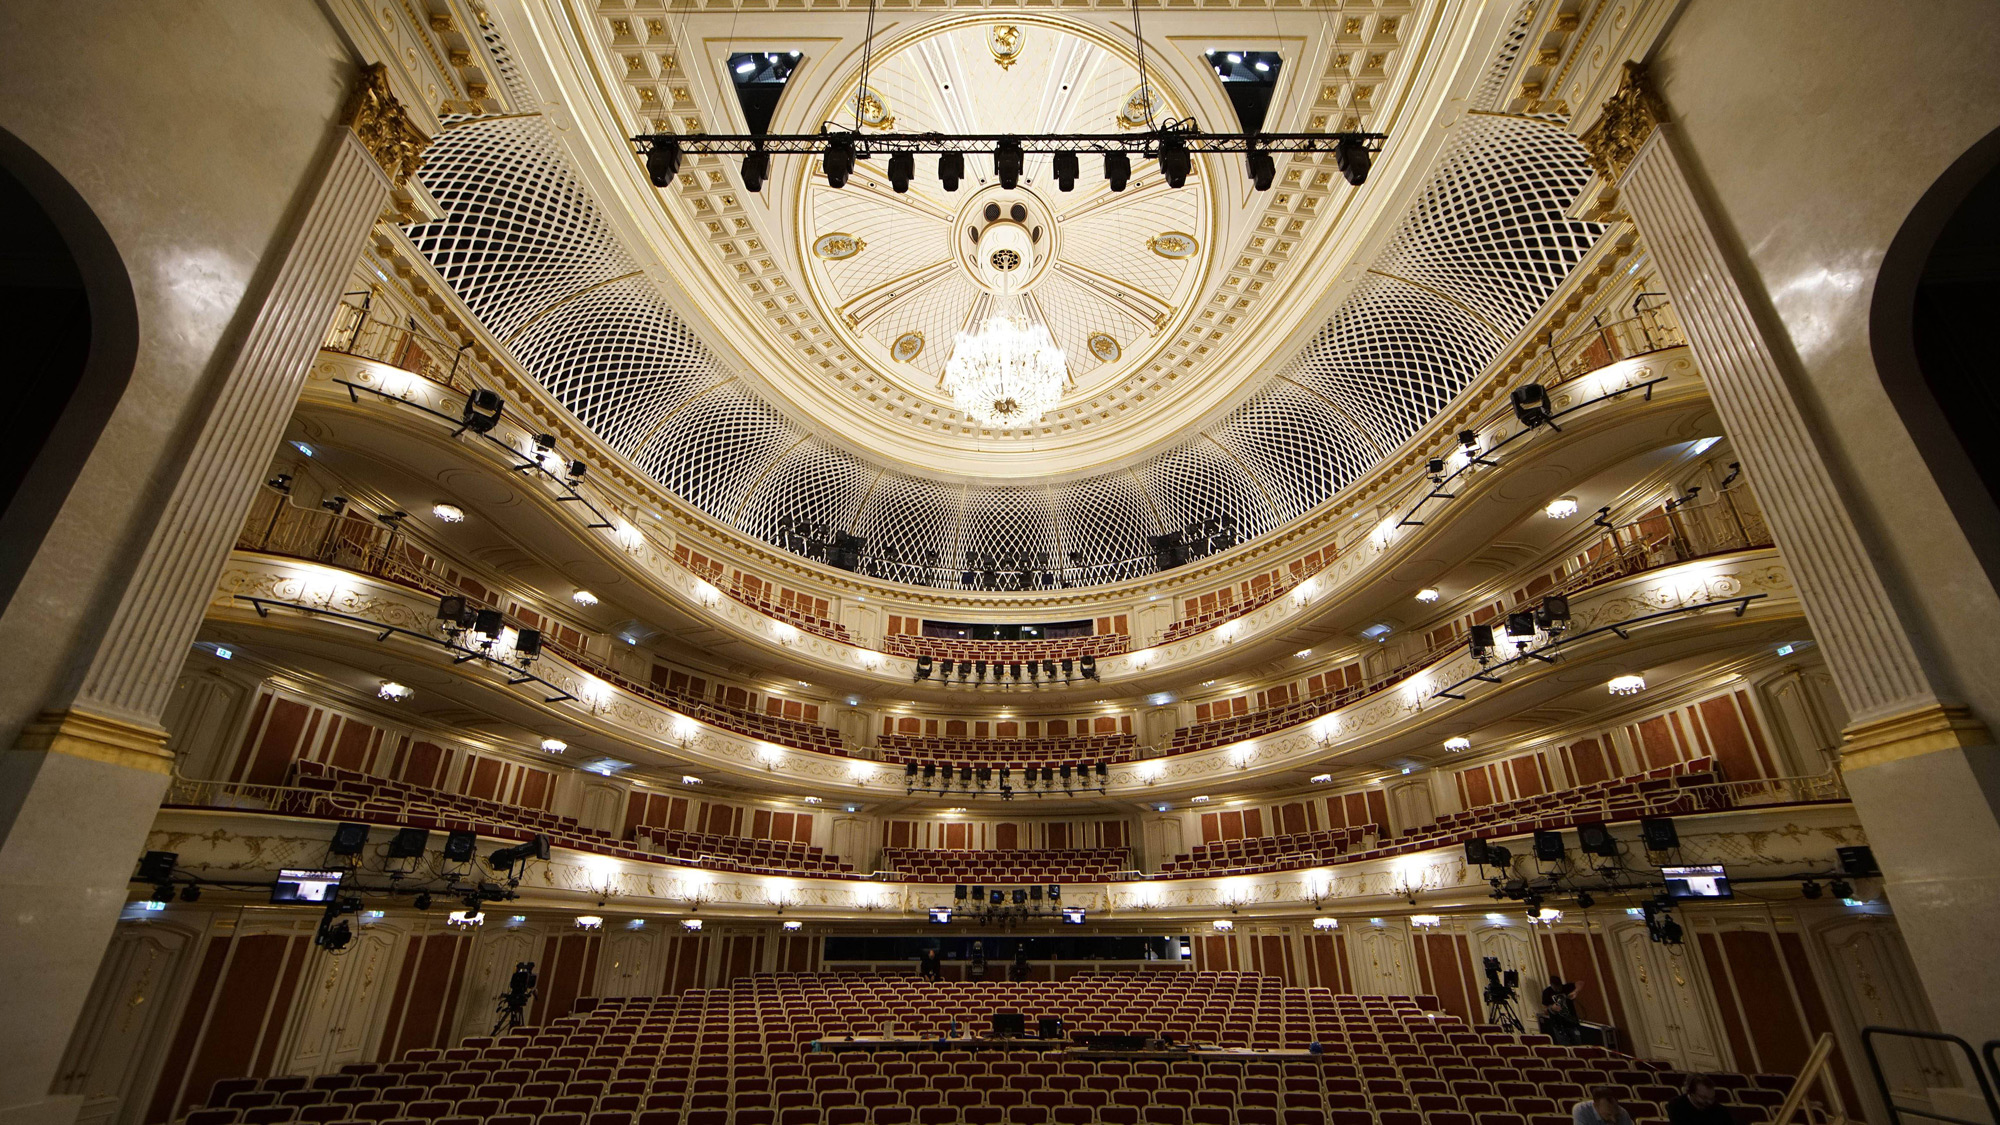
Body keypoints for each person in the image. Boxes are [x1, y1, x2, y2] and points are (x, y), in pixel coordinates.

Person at [1667, 1076, 1738, 1125]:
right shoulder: (1676, 1105)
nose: (1710, 1102)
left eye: (1712, 1098)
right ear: (1691, 1093)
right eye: (1704, 1098)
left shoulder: (1720, 1110)